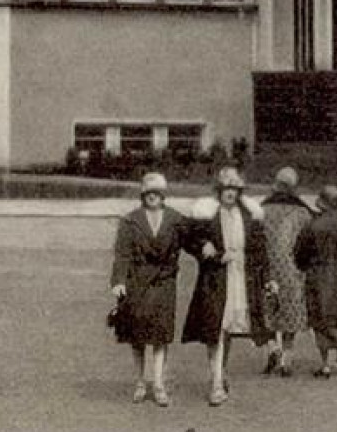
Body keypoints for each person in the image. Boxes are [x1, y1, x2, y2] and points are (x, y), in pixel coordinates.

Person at [180, 167, 274, 406]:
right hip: (215, 278)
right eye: (225, 190)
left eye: (234, 190)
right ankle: (216, 383)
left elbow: (260, 250)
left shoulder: (249, 216)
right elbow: (188, 237)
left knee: (228, 329)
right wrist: (203, 247)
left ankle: (220, 372)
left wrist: (269, 278)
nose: (229, 194)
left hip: (241, 279)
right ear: (218, 191)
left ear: (240, 192)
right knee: (216, 328)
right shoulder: (207, 214)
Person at [109, 172, 183, 407]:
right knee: (138, 336)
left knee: (161, 336)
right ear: (143, 194)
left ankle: (159, 384)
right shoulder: (130, 221)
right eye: (149, 192)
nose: (153, 197)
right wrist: (118, 281)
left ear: (163, 195)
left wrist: (208, 246)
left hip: (164, 282)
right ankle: (141, 382)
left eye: (157, 192)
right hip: (137, 283)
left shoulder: (176, 219)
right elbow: (122, 254)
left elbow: (194, 240)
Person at [294, 184, 337, 379]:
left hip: (319, 277)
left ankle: (325, 364)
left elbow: (300, 254)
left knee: (320, 320)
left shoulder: (312, 226)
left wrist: (303, 266)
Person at [258, 166, 317, 377]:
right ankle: (286, 359)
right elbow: (310, 242)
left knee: (269, 309)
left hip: (268, 268)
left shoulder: (262, 209)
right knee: (291, 311)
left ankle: (273, 347)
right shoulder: (303, 212)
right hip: (292, 268)